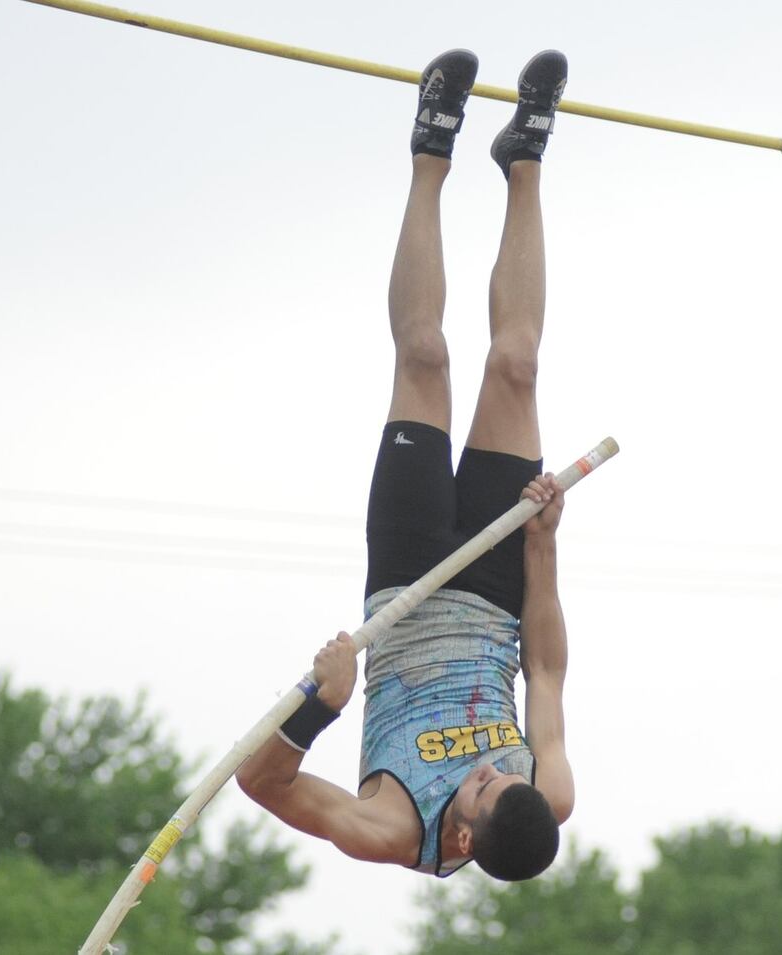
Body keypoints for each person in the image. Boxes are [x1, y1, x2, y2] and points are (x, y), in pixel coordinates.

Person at [236, 48, 574, 881]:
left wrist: (321, 705)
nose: (495, 770)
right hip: (497, 585)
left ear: (462, 839)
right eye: (506, 772)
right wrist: (543, 542)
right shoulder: (544, 791)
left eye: (487, 788)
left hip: (407, 579)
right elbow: (546, 666)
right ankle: (525, 159)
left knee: (424, 355)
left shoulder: (392, 826)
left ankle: (430, 151)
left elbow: (259, 781)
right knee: (516, 365)